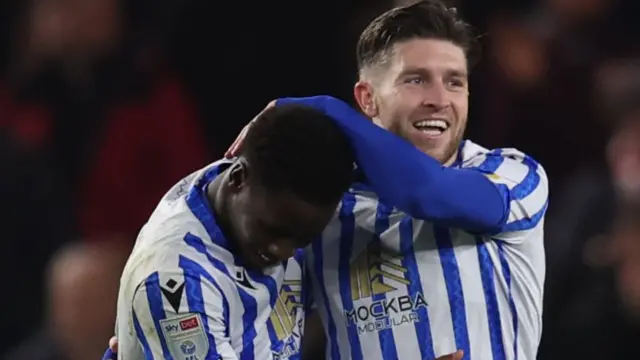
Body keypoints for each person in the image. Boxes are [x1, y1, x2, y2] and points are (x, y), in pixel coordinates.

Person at [230, 2, 547, 359]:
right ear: (367, 99)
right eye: (416, 80)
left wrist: (324, 109)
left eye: (454, 82)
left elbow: (425, 192)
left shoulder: (514, 176)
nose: (440, 100)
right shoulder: (326, 211)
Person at [112, 103, 356, 360]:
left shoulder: (265, 183)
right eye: (272, 230)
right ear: (237, 178)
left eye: (303, 239)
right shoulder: (174, 279)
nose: (284, 251)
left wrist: (319, 106)